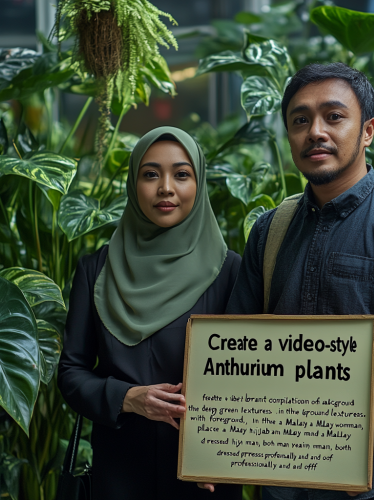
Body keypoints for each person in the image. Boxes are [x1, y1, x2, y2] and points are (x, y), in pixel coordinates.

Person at [226, 63, 374, 500]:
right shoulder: (269, 230)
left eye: (334, 116)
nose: (315, 131)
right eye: (300, 120)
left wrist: (331, 435)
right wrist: (217, 441)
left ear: (367, 130)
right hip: (279, 483)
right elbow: (239, 344)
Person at [58, 127, 242, 500]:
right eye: (151, 174)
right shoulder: (96, 270)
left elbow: (251, 375)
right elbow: (71, 371)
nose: (166, 188)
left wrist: (229, 453)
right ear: (133, 183)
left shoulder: (231, 272)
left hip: (203, 475)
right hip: (120, 474)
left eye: (182, 174)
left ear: (198, 182)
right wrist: (127, 397)